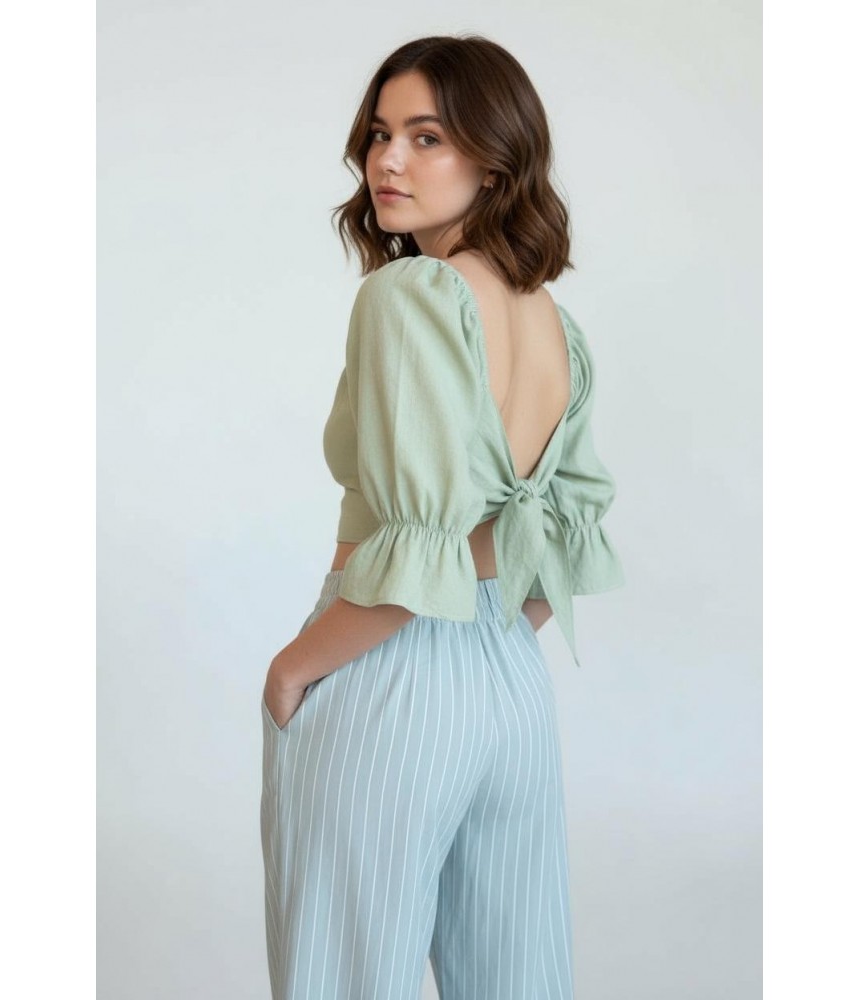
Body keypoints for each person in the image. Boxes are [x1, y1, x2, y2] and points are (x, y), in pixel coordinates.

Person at [259, 34, 624, 1000]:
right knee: (518, 980)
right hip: (511, 684)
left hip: (386, 673)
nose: (388, 160)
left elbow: (414, 560)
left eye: (427, 137)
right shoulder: (552, 320)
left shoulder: (411, 294)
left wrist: (296, 666)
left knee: (343, 978)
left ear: (494, 161)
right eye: (380, 134)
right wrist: (485, 645)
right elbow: (551, 546)